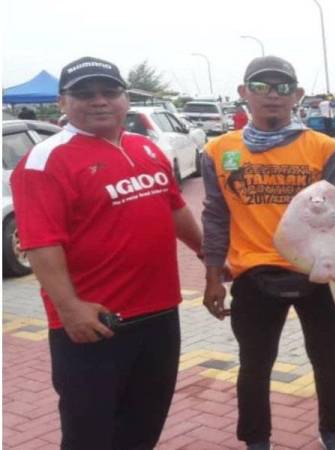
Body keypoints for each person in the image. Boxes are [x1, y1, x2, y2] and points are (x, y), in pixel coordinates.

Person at [10, 56, 204, 450]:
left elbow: (174, 209)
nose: (98, 101)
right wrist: (69, 307)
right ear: (62, 103)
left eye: (109, 91)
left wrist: (208, 256)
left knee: (144, 424)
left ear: (125, 99)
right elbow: (41, 242)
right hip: (95, 322)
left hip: (161, 314)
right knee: (90, 434)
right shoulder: (44, 161)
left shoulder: (146, 148)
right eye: (84, 94)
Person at [201, 55, 335, 450]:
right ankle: (256, 439)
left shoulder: (324, 149)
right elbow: (216, 216)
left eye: (283, 87)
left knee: (326, 359)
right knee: (255, 363)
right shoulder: (218, 150)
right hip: (253, 275)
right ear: (243, 94)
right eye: (260, 86)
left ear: (298, 95)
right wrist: (212, 277)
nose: (272, 95)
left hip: (318, 271)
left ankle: (334, 430)